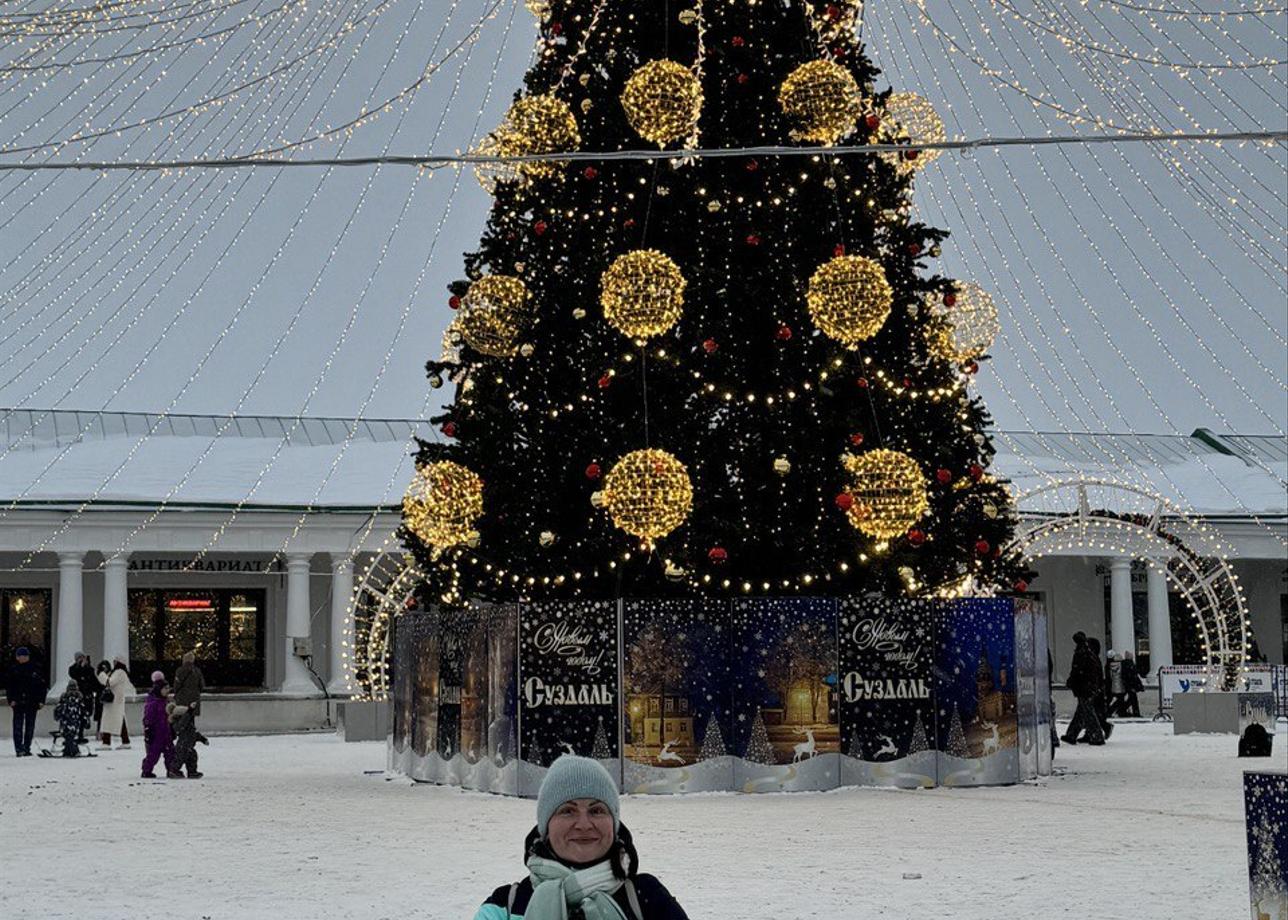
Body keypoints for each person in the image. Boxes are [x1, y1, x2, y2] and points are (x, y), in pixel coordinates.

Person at [473, 755, 689, 919]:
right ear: (545, 827)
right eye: (567, 811)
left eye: (596, 811)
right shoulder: (505, 907)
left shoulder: (648, 900)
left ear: (613, 825)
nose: (584, 825)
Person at [1060, 632, 1104, 746]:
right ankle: (1072, 735)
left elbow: (1078, 670)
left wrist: (1072, 680)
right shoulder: (1088, 652)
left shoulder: (1082, 652)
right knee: (1082, 711)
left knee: (1087, 711)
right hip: (1088, 686)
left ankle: (1096, 735)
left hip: (1084, 687)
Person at [5, 647, 48, 756]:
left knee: (30, 726)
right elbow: (9, 686)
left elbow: (42, 686)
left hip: (32, 701)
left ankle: (27, 747)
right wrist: (11, 700)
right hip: (18, 702)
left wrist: (41, 700)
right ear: (17, 657)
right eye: (20, 656)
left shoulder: (36, 669)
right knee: (18, 726)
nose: (22, 658)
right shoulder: (13, 669)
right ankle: (19, 748)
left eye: (24, 656)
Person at [171, 651, 206, 777]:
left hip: (182, 704)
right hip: (194, 703)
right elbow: (202, 686)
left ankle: (184, 745)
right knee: (190, 727)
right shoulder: (197, 671)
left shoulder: (180, 671)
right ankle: (190, 763)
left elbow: (176, 686)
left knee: (182, 726)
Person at [141, 673, 181, 779]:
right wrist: (148, 729)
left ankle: (171, 770)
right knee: (153, 754)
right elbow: (148, 718)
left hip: (166, 731)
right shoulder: (153, 703)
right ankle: (146, 770)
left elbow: (171, 716)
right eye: (165, 688)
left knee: (170, 752)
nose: (168, 691)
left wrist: (172, 728)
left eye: (168, 688)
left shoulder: (166, 701)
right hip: (156, 733)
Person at [97, 656, 135, 750]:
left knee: (109, 721)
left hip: (114, 701)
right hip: (116, 701)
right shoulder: (120, 672)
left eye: (115, 661)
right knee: (119, 720)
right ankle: (125, 741)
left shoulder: (119, 672)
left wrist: (101, 674)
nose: (113, 663)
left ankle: (106, 742)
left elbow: (109, 682)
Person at [68, 653, 100, 741]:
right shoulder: (72, 669)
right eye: (79, 658)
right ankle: (77, 733)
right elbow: (74, 675)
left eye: (82, 658)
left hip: (87, 695)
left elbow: (93, 680)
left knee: (86, 713)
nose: (81, 659)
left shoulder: (89, 669)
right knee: (77, 715)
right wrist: (80, 667)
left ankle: (81, 732)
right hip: (78, 696)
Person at [53, 681, 89, 757]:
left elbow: (58, 710)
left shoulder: (64, 697)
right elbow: (83, 711)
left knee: (68, 736)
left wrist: (57, 717)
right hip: (76, 723)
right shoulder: (79, 697)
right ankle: (72, 750)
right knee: (73, 736)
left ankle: (69, 750)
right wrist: (86, 722)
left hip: (65, 722)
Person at [1119, 650, 1144, 718]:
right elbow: (1132, 675)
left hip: (1129, 684)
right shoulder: (1129, 665)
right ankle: (1133, 712)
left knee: (1132, 699)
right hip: (1131, 684)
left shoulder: (1125, 664)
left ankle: (1123, 710)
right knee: (1133, 699)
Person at [1105, 650, 1126, 717]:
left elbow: (1109, 676)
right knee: (1120, 699)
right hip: (1119, 684)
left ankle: (1109, 711)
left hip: (1112, 684)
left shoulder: (1108, 665)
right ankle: (1118, 711)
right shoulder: (1120, 665)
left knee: (1110, 699)